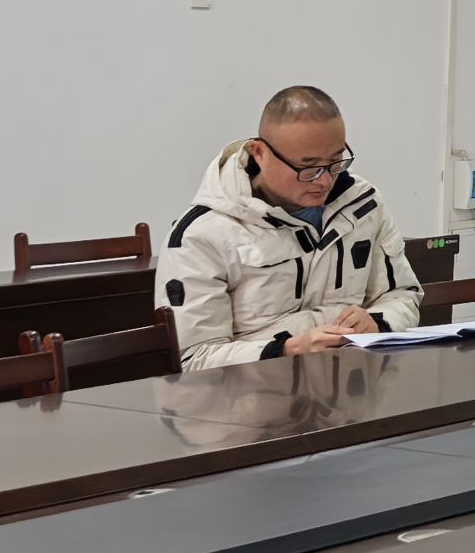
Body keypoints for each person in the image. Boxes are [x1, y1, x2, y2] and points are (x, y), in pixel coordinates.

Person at [155, 85, 423, 369]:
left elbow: (403, 294)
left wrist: (377, 322)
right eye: (308, 167)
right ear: (259, 153)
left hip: (352, 381)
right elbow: (194, 360)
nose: (324, 180)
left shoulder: (362, 204)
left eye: (335, 162)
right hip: (257, 391)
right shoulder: (201, 235)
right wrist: (286, 351)